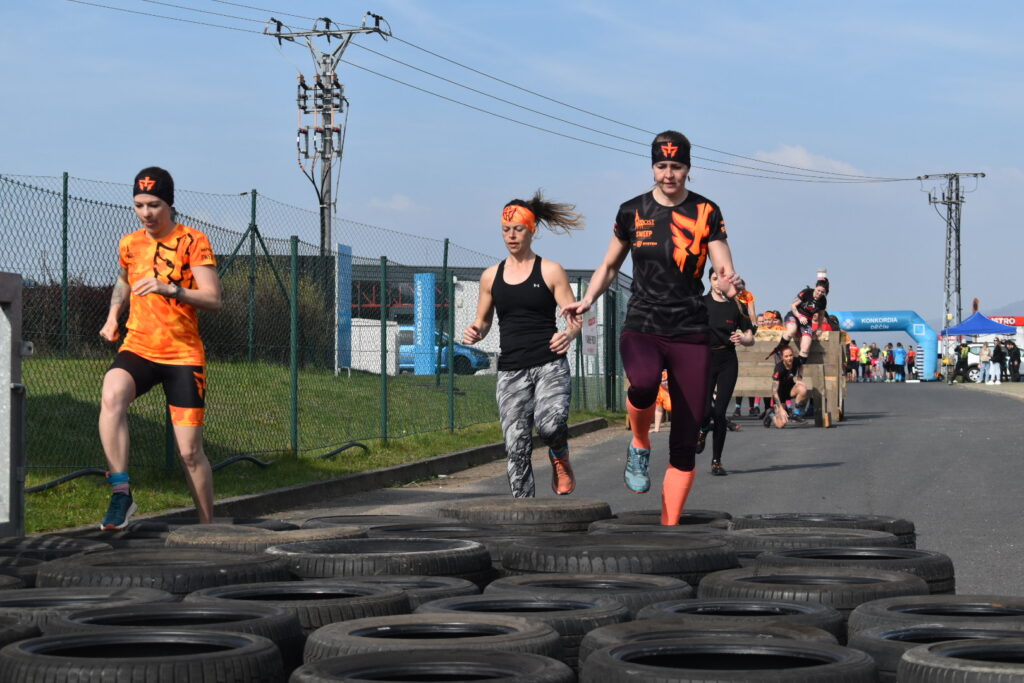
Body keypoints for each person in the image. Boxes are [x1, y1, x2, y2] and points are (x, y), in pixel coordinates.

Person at [561, 129, 741, 526]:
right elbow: (609, 265)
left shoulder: (707, 212)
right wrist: (589, 299)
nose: (669, 174)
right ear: (652, 166)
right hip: (643, 322)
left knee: (687, 433)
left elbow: (723, 264)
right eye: (662, 166)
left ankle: (670, 527)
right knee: (642, 383)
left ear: (689, 169)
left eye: (677, 166)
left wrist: (728, 282)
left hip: (691, 329)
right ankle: (639, 442)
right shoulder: (632, 211)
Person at [98, 167, 222, 530]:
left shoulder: (193, 240)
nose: (146, 213)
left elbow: (214, 299)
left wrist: (172, 289)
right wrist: (112, 317)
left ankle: (207, 527)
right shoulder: (129, 243)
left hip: (182, 355)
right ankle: (121, 492)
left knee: (189, 452)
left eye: (154, 204)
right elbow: (122, 282)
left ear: (169, 203)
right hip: (138, 346)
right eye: (138, 205)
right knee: (111, 396)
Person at [463, 191, 583, 498]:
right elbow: (484, 320)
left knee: (550, 426)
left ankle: (560, 456)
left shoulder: (550, 270)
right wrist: (477, 329)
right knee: (516, 448)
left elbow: (574, 318)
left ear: (532, 230)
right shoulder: (491, 276)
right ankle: (524, 514)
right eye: (506, 230)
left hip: (549, 363)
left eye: (518, 229)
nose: (511, 235)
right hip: (511, 370)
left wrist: (567, 335)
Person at [695, 270, 754, 475]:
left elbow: (750, 336)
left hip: (728, 360)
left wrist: (743, 339)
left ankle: (716, 461)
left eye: (722, 279)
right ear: (710, 282)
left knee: (719, 413)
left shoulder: (737, 305)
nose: (719, 283)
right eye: (714, 279)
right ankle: (703, 428)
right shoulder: (700, 303)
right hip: (704, 360)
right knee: (704, 412)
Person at [776, 279, 829, 362]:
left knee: (806, 346)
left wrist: (819, 328)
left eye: (822, 292)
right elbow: (793, 305)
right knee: (792, 330)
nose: (819, 293)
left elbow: (821, 315)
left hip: (807, 321)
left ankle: (798, 370)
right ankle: (778, 351)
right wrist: (799, 316)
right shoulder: (806, 292)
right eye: (818, 290)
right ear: (815, 287)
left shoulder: (823, 301)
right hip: (794, 315)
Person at [769, 347, 808, 427]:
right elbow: (774, 391)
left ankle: (796, 415)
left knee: (802, 388)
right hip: (780, 394)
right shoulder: (779, 369)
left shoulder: (796, 361)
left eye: (791, 355)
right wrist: (781, 409)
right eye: (786, 356)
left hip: (790, 389)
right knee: (781, 425)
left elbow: (801, 365)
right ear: (782, 358)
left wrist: (799, 378)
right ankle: (771, 415)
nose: (789, 358)